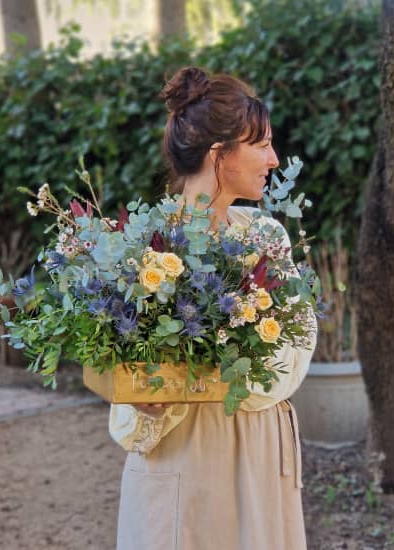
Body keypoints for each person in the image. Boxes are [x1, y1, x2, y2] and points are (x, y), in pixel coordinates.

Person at [109, 66, 317, 550]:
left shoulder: (267, 238)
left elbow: (296, 350)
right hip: (183, 456)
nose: (274, 158)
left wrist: (213, 377)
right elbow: (125, 392)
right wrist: (143, 400)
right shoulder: (141, 249)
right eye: (261, 145)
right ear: (219, 154)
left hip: (259, 452)